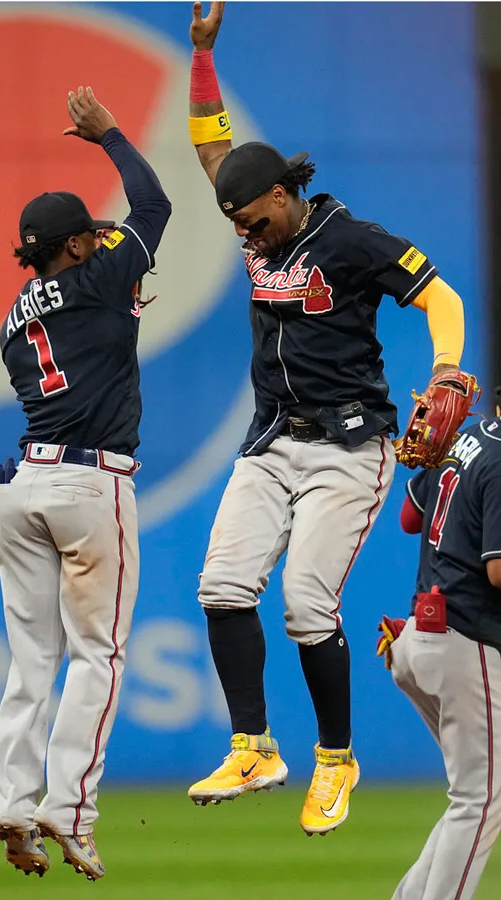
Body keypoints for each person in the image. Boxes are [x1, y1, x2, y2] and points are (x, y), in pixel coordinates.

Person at [186, 1, 467, 835]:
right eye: (237, 223)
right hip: (273, 440)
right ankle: (254, 746)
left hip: (351, 445)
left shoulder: (350, 239)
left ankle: (336, 761)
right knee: (221, 587)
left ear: (284, 194)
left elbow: (438, 294)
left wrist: (447, 370)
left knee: (308, 604)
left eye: (253, 217)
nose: (245, 233)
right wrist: (202, 59)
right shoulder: (253, 218)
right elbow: (212, 149)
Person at [0, 86, 171, 880]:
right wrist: (110, 135)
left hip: (22, 485)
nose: (102, 243)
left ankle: (13, 803)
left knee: (32, 660)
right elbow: (154, 204)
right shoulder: (99, 278)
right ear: (70, 246)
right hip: (88, 486)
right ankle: (69, 809)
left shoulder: (9, 321)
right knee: (98, 654)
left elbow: (83, 338)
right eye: (89, 239)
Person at [376, 399, 501, 900]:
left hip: (418, 640)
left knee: (475, 794)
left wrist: (434, 457)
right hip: (465, 643)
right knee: (481, 797)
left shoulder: (469, 438)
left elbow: (410, 516)